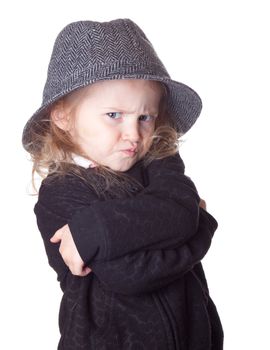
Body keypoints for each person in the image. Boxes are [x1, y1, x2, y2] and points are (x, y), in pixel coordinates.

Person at [22, 18, 224, 350]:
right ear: (63, 116)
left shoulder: (160, 163)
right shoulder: (61, 191)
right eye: (114, 115)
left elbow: (181, 213)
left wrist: (94, 231)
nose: (134, 134)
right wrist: (202, 225)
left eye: (145, 117)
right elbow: (131, 274)